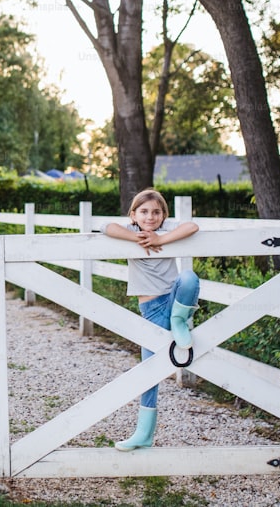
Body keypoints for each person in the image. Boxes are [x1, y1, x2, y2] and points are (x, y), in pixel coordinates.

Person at [103, 189, 200, 451]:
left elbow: (193, 225)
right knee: (149, 373)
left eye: (156, 212)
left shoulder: (166, 229)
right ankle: (144, 434)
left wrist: (162, 238)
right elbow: (107, 227)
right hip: (151, 311)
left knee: (189, 277)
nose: (150, 216)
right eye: (144, 212)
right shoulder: (131, 229)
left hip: (174, 302)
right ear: (133, 215)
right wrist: (138, 238)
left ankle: (180, 321)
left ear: (164, 215)